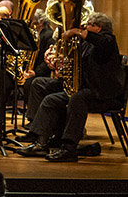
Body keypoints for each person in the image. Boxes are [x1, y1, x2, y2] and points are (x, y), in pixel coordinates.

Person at [21, 12, 124, 161]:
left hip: (104, 94)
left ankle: (69, 148)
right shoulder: (87, 43)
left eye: (88, 25)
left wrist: (77, 32)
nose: (85, 27)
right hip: (89, 89)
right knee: (52, 98)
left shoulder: (108, 41)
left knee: (78, 98)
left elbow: (101, 43)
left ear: (98, 27)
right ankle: (42, 142)